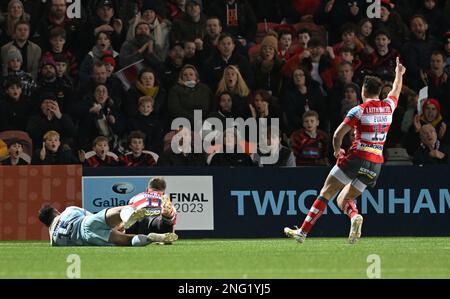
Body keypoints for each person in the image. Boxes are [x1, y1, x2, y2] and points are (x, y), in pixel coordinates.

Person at [284, 57, 406, 244]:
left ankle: (302, 232)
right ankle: (355, 216)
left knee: (326, 192)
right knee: (343, 199)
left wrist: (336, 150)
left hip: (357, 157)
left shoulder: (358, 110)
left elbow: (337, 135)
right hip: (375, 165)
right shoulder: (389, 107)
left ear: (363, 91)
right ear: (380, 91)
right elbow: (396, 89)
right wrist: (399, 73)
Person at [38, 198, 178, 247]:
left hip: (89, 239)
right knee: (124, 209)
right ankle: (126, 217)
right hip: (86, 223)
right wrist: (116, 225)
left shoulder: (53, 240)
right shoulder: (68, 211)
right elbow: (91, 216)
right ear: (56, 211)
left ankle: (151, 238)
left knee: (128, 241)